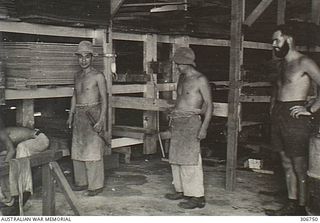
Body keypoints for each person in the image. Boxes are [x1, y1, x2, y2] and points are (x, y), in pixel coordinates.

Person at [265, 24, 320, 216]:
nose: (273, 45)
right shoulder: (281, 64)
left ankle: (303, 209)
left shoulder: (305, 62)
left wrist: (310, 109)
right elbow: (277, 91)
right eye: (273, 41)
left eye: (276, 40)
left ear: (289, 40)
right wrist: (273, 111)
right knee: (286, 162)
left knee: (299, 165)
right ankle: (291, 203)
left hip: (295, 115)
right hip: (280, 114)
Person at [164, 47, 212, 209]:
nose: (177, 67)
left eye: (179, 64)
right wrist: (173, 110)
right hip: (178, 122)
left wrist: (204, 127)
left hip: (191, 122)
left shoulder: (200, 79)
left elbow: (209, 105)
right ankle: (181, 189)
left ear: (187, 63)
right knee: (176, 158)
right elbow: (180, 99)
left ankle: (197, 196)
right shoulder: (182, 78)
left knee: (190, 160)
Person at [67, 41, 107, 197]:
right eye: (81, 57)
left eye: (87, 57)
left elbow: (105, 99)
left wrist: (101, 119)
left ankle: (96, 185)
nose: (83, 60)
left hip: (93, 112)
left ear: (92, 58)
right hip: (79, 115)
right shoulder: (77, 76)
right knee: (78, 148)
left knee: (93, 150)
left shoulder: (98, 76)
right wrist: (71, 115)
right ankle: (81, 182)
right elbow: (75, 96)